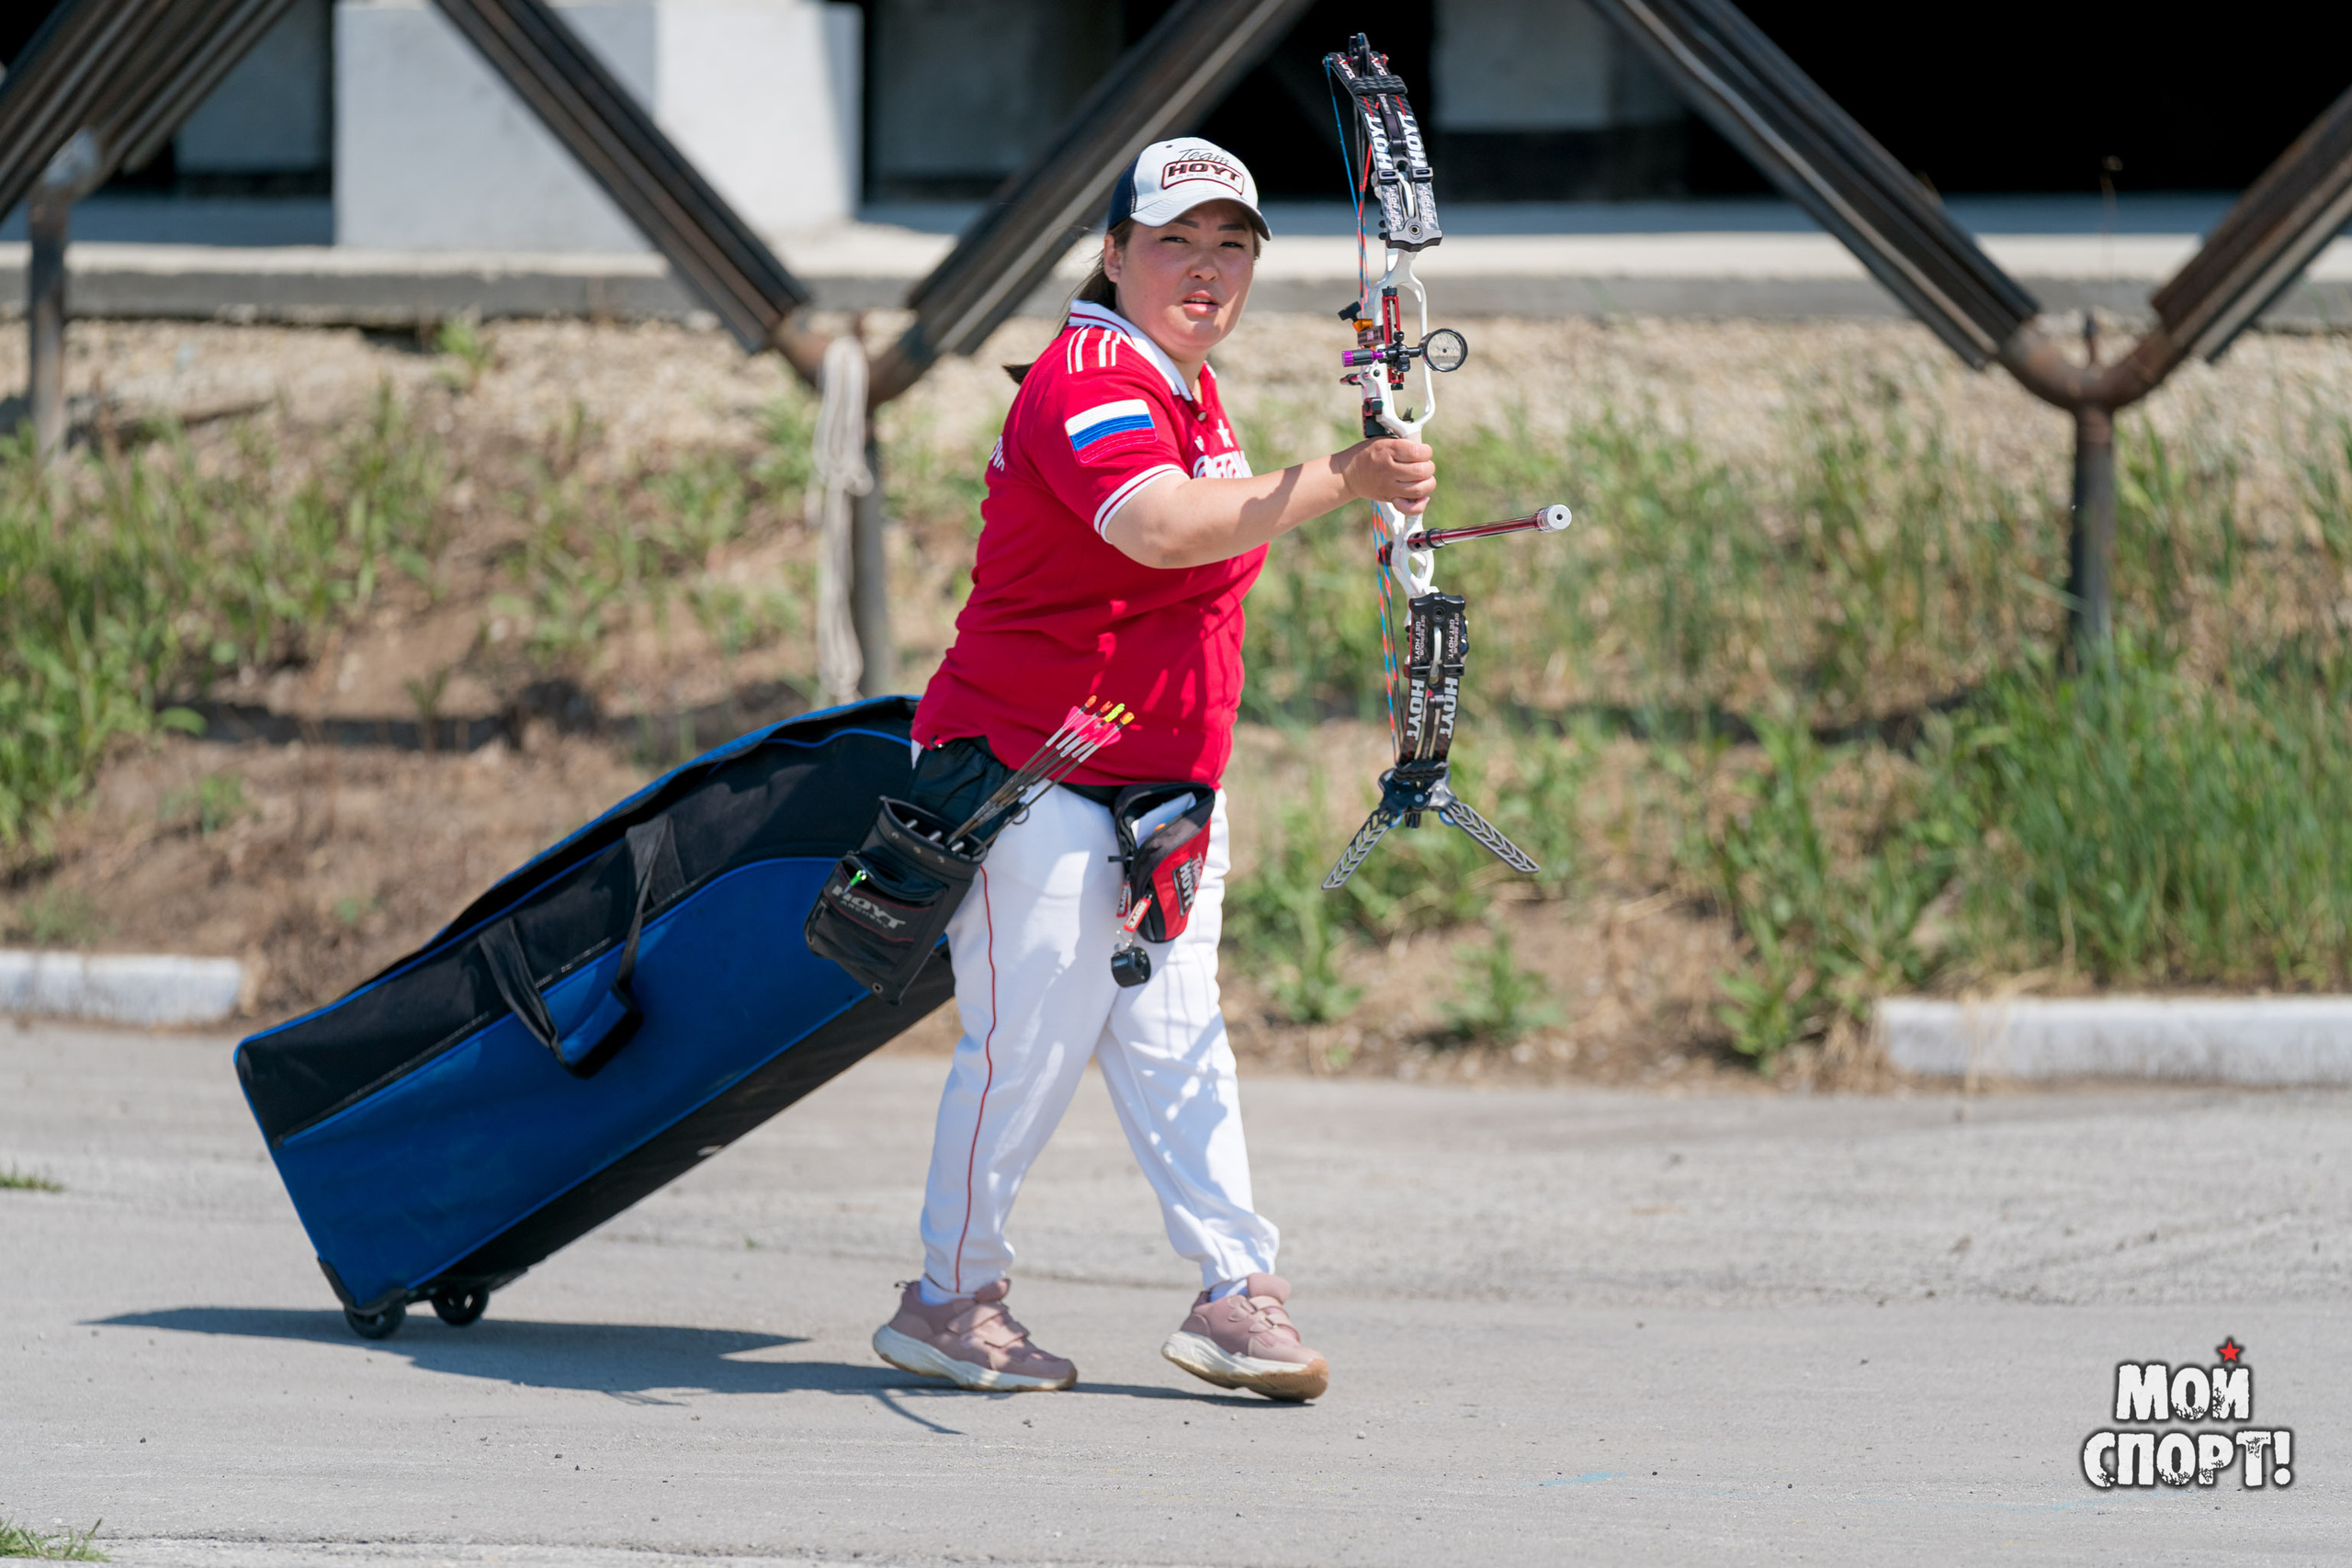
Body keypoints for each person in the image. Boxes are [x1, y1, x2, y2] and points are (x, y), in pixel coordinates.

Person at [869, 138, 1434, 1403]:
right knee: (1023, 1050)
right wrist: (1341, 478)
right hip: (1037, 777)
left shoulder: (1183, 381)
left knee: (1181, 1045)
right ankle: (948, 1299)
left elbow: (1201, 542)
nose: (1207, 268)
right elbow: (1160, 527)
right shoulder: (1090, 376)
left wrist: (1351, 500)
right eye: (1175, 241)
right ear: (1113, 253)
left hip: (1160, 787)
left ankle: (1236, 1294)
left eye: (1232, 244)